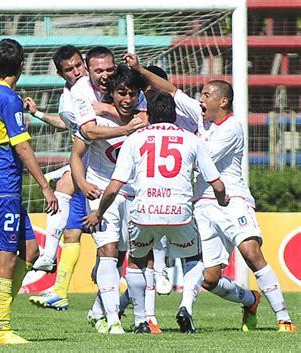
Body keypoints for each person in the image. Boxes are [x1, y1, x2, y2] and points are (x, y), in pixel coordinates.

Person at [125, 53, 297, 333]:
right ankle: (249, 299)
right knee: (209, 277)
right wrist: (140, 70)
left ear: (222, 101)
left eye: (206, 94)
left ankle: (283, 317)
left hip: (231, 200)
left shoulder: (232, 129)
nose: (200, 99)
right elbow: (170, 90)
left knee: (252, 253)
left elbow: (200, 161)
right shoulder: (200, 116)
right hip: (201, 204)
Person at [84, 92, 228, 334]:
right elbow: (218, 184)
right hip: (179, 213)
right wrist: (222, 201)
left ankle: (141, 320)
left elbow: (115, 185)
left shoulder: (134, 139)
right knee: (193, 259)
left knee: (137, 264)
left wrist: (99, 212)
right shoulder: (191, 140)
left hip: (143, 212)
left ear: (148, 115)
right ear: (174, 115)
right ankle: (185, 307)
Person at [0, 38, 58, 345]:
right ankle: (2, 330)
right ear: (21, 66)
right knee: (6, 256)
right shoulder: (8, 99)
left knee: (30, 251)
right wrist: (46, 187)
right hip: (2, 185)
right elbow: (21, 146)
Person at [70, 64, 148, 334]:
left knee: (121, 258)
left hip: (132, 196)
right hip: (101, 193)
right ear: (111, 94)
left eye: (132, 94)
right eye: (122, 93)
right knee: (108, 252)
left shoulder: (144, 121)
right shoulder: (97, 121)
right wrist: (82, 183)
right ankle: (114, 320)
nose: (127, 99)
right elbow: (76, 155)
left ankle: (96, 311)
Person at [22, 45, 89, 312]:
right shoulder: (67, 96)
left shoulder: (95, 87)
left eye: (78, 66)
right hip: (85, 161)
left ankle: (161, 267)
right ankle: (59, 288)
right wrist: (37, 114)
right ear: (61, 73)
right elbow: (68, 124)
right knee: (72, 233)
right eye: (69, 69)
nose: (75, 72)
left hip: (104, 162)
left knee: (117, 243)